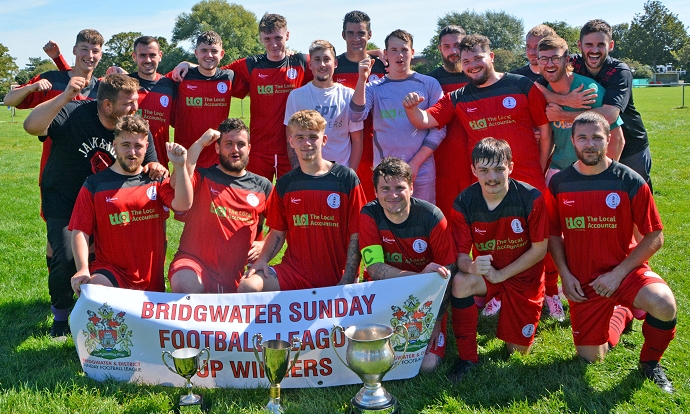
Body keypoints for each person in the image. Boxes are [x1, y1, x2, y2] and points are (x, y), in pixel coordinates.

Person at [23, 74, 166, 337]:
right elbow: (31, 126)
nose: (135, 108)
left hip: (104, 201)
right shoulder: (74, 112)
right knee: (66, 257)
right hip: (64, 198)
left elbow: (149, 165)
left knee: (102, 256)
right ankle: (61, 315)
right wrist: (65, 95)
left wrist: (156, 167)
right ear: (108, 105)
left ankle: (99, 303)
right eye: (129, 103)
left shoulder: (131, 127)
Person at [547, 112, 677, 394]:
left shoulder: (629, 181)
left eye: (596, 137)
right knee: (590, 357)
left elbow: (655, 235)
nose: (590, 144)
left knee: (664, 305)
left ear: (609, 139)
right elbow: (553, 234)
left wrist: (618, 275)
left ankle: (650, 363)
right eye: (583, 138)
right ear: (572, 142)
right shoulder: (559, 183)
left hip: (625, 271)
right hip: (583, 282)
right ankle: (622, 313)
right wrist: (565, 276)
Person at [448, 138, 548, 382]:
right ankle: (467, 358)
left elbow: (539, 249)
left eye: (499, 169)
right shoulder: (463, 202)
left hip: (524, 278)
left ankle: (511, 307)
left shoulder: (530, 197)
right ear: (474, 170)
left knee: (517, 353)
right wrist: (471, 266)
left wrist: (502, 274)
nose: (491, 177)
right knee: (461, 282)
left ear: (511, 167)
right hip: (488, 276)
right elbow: (460, 256)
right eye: (483, 170)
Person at [238, 110, 366, 292]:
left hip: (337, 276)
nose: (306, 143)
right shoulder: (285, 183)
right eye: (300, 137)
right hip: (295, 273)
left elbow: (357, 233)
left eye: (313, 137)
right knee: (248, 286)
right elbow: (277, 232)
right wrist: (262, 260)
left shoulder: (345, 178)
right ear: (291, 142)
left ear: (324, 140)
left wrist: (348, 277)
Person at [174, 14, 313, 181]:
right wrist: (188, 64)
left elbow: (327, 68)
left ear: (287, 36)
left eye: (278, 38)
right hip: (258, 151)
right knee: (258, 200)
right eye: (267, 39)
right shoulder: (251, 64)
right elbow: (213, 69)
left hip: (292, 148)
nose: (274, 44)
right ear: (261, 38)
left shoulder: (302, 62)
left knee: (291, 198)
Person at [69, 115, 192, 294]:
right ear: (114, 146)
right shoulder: (94, 184)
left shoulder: (155, 181)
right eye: (125, 145)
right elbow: (80, 230)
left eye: (138, 146)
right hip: (111, 273)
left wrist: (179, 167)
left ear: (146, 147)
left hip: (151, 281)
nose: (132, 152)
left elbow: (183, 204)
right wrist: (82, 268)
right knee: (94, 292)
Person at [359, 157, 455, 373]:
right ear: (375, 191)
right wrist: (418, 276)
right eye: (385, 188)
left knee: (427, 366)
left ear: (411, 187)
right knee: (376, 358)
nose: (392, 195)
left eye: (399, 187)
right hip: (385, 292)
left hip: (427, 298)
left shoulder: (432, 216)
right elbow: (375, 269)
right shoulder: (369, 215)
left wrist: (436, 321)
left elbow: (450, 270)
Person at [539, 19, 653, 191]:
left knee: (636, 195)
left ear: (611, 45)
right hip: (596, 146)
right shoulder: (570, 63)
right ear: (580, 45)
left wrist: (563, 115)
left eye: (601, 44)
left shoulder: (620, 71)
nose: (594, 50)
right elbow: (536, 83)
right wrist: (565, 101)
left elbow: (609, 116)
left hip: (630, 142)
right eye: (589, 44)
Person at [168, 119, 273, 294]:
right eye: (228, 144)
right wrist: (201, 143)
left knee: (252, 288)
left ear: (249, 148)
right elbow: (176, 182)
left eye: (241, 144)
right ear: (217, 148)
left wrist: (264, 246)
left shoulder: (263, 186)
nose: (235, 150)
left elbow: (283, 224)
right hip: (195, 263)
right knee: (184, 283)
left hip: (239, 270)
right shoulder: (203, 177)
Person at [351, 29, 445, 204]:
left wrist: (415, 163)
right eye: (394, 50)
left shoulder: (429, 84)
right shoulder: (374, 86)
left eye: (404, 50)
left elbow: (439, 129)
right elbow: (356, 117)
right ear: (385, 54)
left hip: (421, 171)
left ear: (412, 53)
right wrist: (361, 80)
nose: (399, 55)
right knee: (389, 226)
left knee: (422, 224)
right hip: (386, 173)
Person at [538, 35, 624, 183]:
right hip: (559, 171)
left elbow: (617, 139)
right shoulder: (542, 94)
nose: (549, 64)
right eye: (544, 59)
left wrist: (606, 175)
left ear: (568, 60)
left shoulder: (589, 91)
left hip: (591, 172)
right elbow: (549, 138)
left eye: (556, 58)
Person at [284, 40, 363, 170]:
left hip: (340, 171)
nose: (322, 65)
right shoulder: (296, 96)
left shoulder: (349, 95)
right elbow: (290, 139)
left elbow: (357, 140)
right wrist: (298, 170)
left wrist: (350, 173)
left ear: (335, 63)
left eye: (327, 59)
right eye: (317, 60)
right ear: (310, 64)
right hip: (308, 171)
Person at [335, 10, 388, 201]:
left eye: (361, 33)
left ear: (370, 35)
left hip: (377, 146)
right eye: (351, 33)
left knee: (376, 202)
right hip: (342, 146)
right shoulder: (333, 65)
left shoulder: (383, 66)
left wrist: (379, 54)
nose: (356, 38)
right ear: (343, 35)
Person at [171, 31, 238, 168]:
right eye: (204, 51)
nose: (209, 55)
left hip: (218, 157)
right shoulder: (181, 76)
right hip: (186, 156)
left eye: (214, 51)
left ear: (222, 54)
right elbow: (151, 81)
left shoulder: (228, 77)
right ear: (196, 53)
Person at [425, 25, 471, 218]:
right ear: (440, 49)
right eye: (447, 46)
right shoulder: (430, 81)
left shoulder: (477, 76)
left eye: (457, 45)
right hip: (443, 160)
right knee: (447, 218)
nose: (453, 51)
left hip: (475, 158)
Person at [128, 36, 176, 166]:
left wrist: (186, 64)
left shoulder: (170, 85)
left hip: (160, 164)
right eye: (142, 55)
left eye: (152, 55)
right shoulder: (124, 84)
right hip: (129, 164)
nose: (148, 60)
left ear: (160, 56)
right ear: (134, 57)